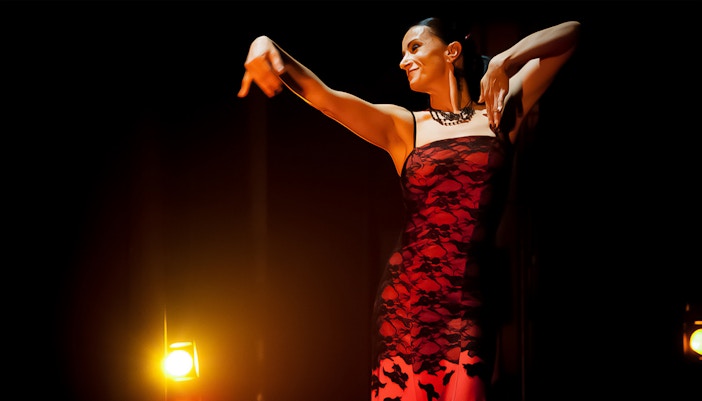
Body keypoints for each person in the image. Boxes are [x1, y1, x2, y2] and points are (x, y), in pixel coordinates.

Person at [238, 15, 580, 401]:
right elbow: (325, 98)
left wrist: (506, 59)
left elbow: (571, 34)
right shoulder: (404, 126)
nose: (404, 61)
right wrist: (266, 42)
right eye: (402, 53)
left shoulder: (501, 112)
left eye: (414, 47)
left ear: (452, 51)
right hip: (404, 305)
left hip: (470, 306)